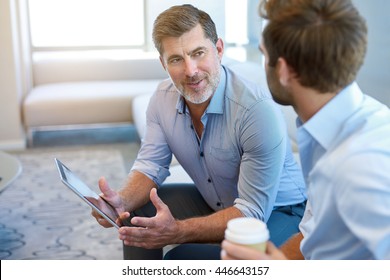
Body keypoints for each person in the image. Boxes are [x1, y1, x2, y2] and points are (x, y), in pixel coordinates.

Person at [92, 4, 306, 260]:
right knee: (135, 217)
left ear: (218, 49)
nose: (190, 71)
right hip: (217, 200)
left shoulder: (256, 112)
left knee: (182, 258)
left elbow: (251, 211)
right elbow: (149, 166)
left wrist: (178, 231)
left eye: (198, 53)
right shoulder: (162, 99)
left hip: (278, 210)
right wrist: (122, 201)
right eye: (176, 59)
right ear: (163, 63)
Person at [221, 0, 390, 260]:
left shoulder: (358, 167)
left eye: (264, 54)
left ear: (285, 70)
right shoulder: (329, 136)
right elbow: (312, 239)